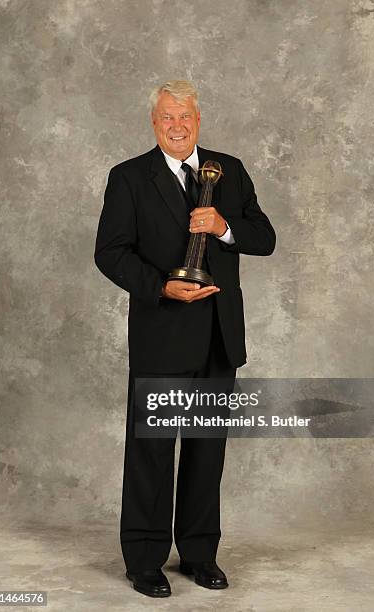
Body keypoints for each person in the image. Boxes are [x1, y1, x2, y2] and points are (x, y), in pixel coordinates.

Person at [94, 80, 276, 598]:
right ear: (154, 124)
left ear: (199, 120)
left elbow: (263, 238)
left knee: (206, 450)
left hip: (220, 335)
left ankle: (199, 554)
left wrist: (223, 227)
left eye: (186, 117)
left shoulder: (230, 170)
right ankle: (145, 559)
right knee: (152, 451)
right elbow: (110, 252)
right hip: (161, 332)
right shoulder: (129, 178)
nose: (178, 125)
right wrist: (161, 288)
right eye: (167, 117)